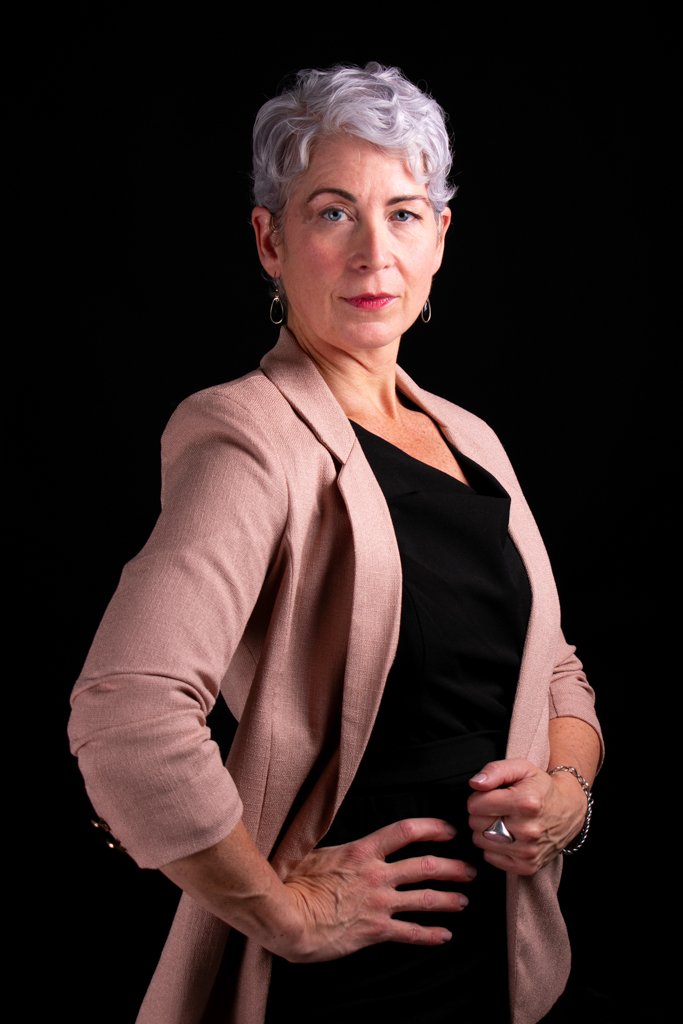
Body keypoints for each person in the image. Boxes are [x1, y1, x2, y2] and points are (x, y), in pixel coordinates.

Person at [68, 61, 603, 1024]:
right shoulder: (247, 436)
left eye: (402, 213)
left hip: (498, 961)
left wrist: (567, 793)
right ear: (270, 241)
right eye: (331, 213)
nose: (372, 253)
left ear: (440, 237)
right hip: (353, 981)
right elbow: (129, 716)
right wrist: (283, 913)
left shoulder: (471, 439)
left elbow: (553, 668)